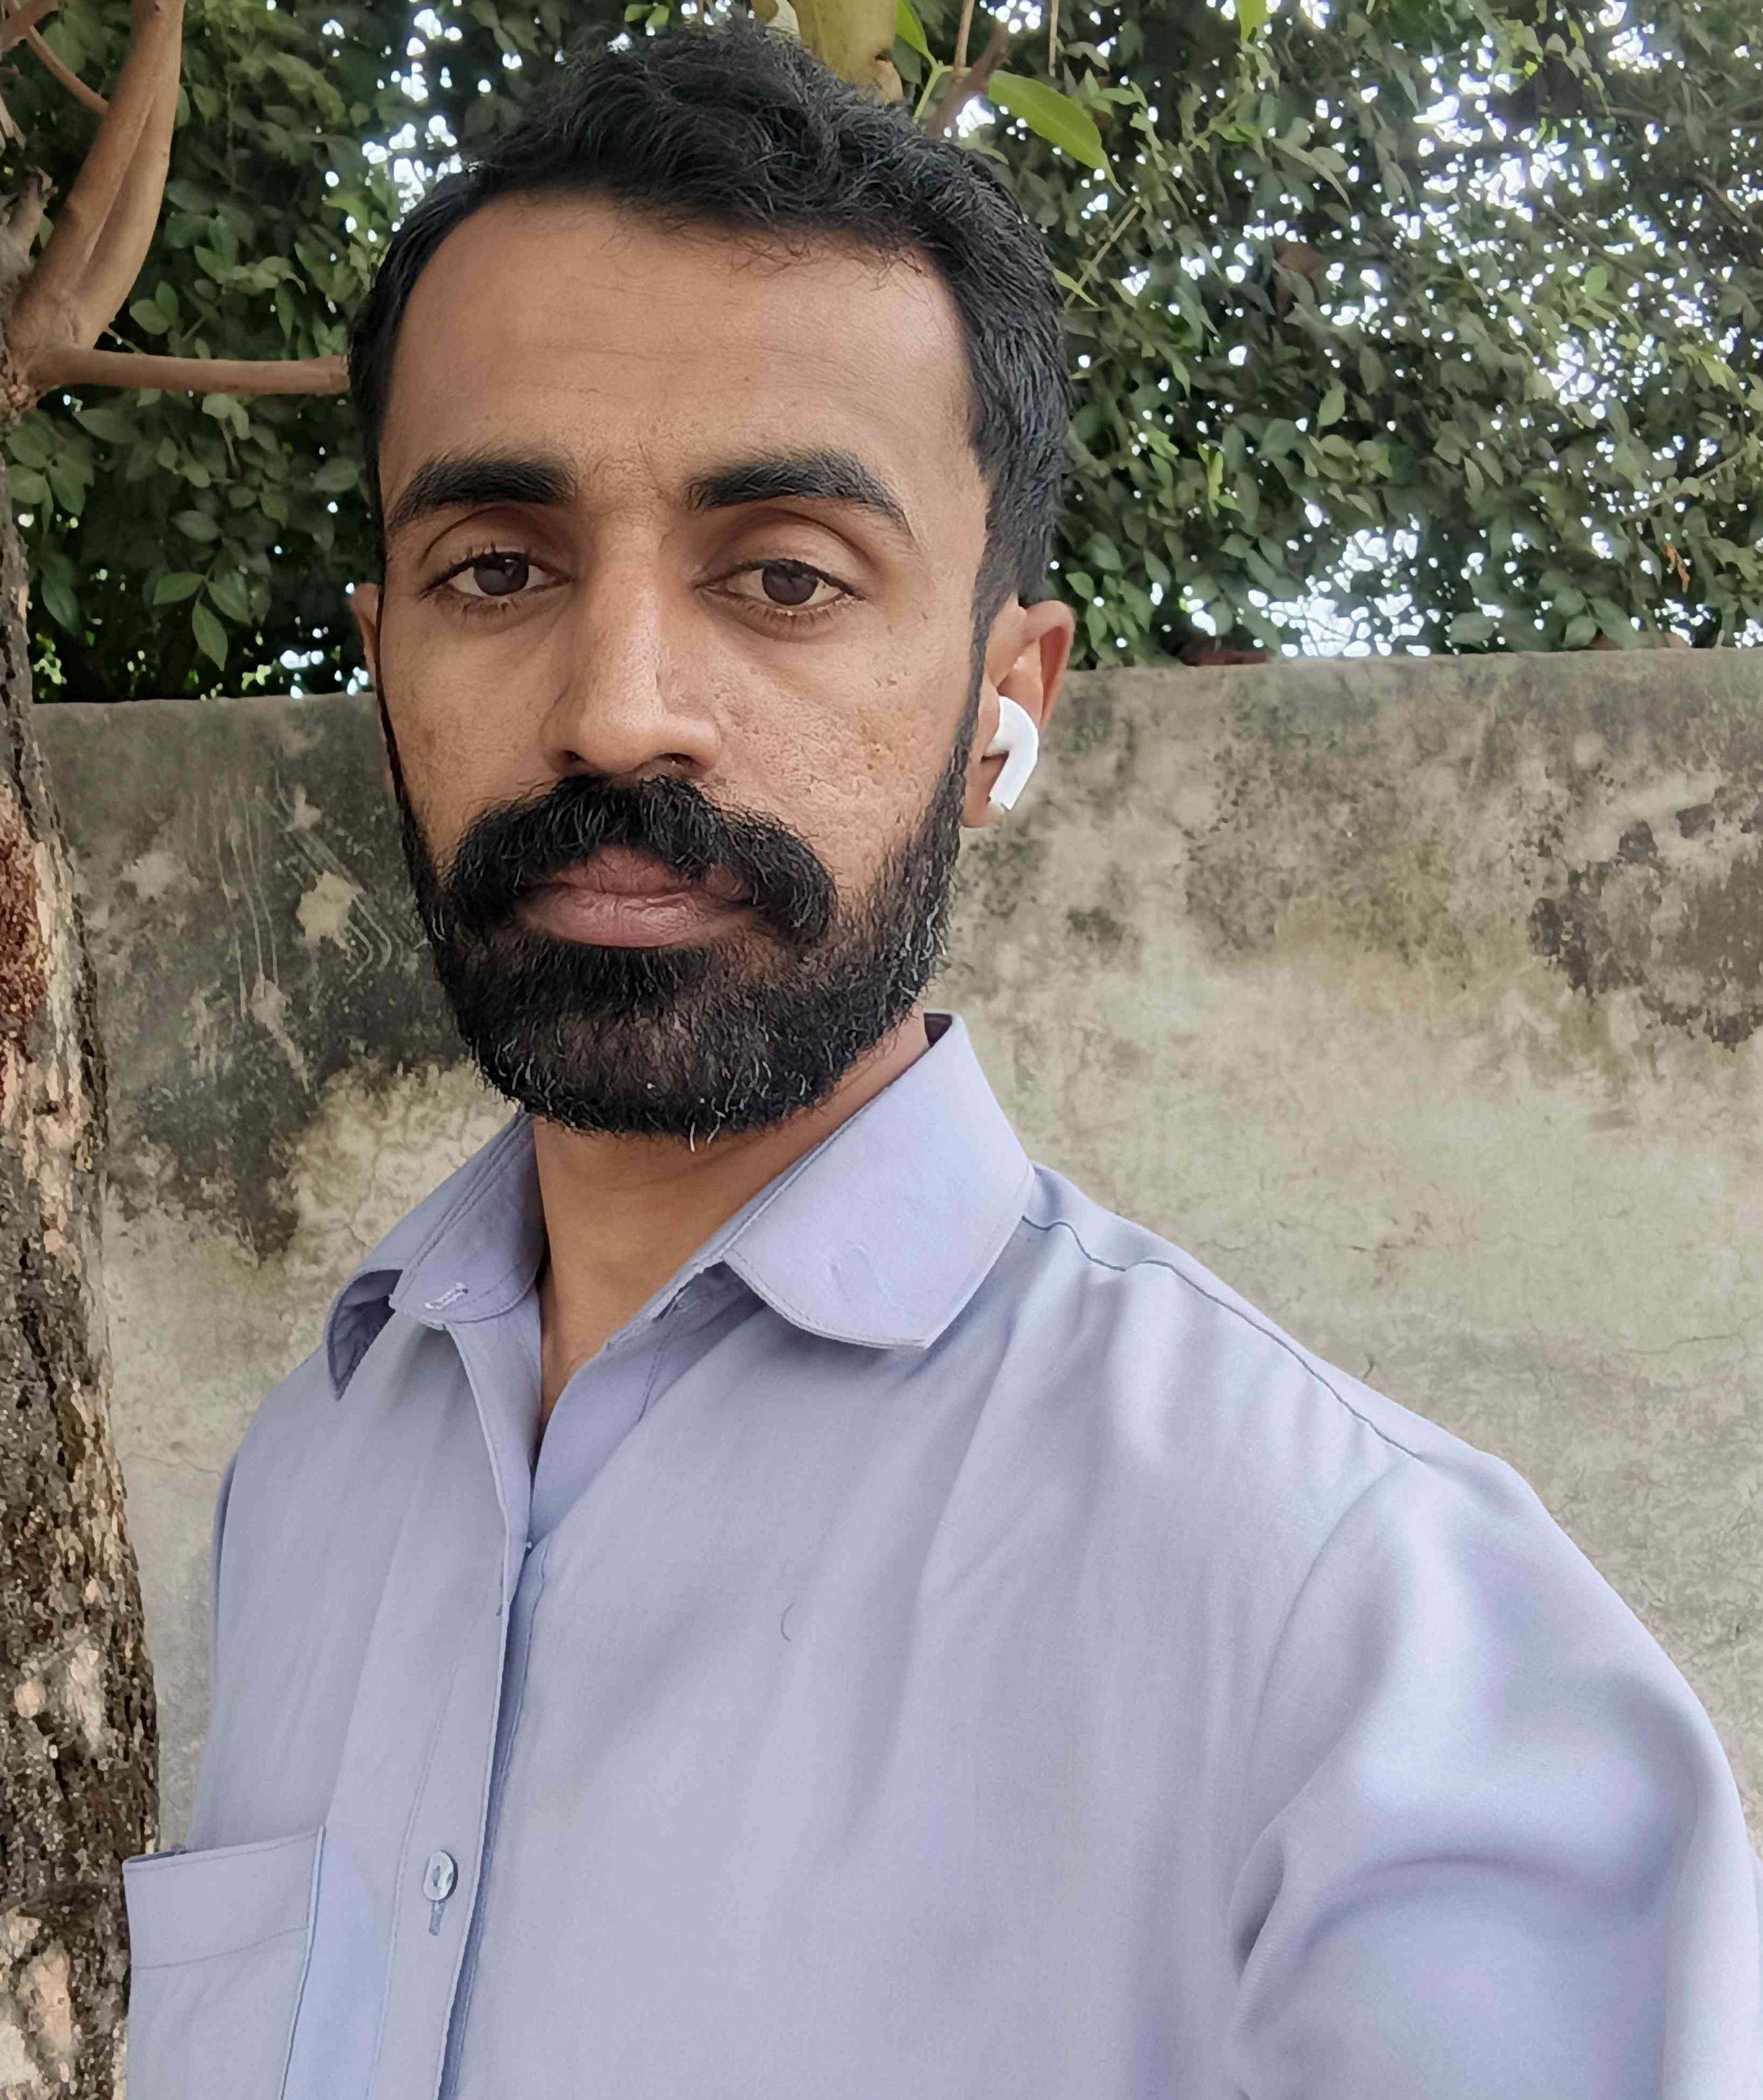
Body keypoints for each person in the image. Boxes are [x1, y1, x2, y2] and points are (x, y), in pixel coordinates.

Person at [120, 27, 1763, 2099]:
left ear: (1007, 703)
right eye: (498, 569)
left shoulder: (1358, 1634)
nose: (617, 708)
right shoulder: (312, 1474)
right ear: (386, 657)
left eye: (785, 576)